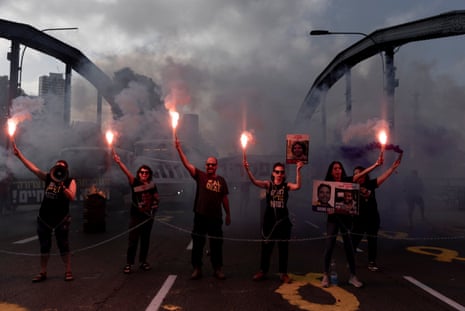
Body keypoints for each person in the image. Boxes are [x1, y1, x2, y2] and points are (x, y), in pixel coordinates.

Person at [12, 141, 76, 282]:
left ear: (66, 170)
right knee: (44, 246)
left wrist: (62, 185)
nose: (58, 167)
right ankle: (43, 272)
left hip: (61, 218)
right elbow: (33, 169)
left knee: (63, 244)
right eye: (57, 165)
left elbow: (72, 196)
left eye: (61, 166)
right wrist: (19, 156)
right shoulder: (48, 177)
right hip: (44, 217)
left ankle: (68, 270)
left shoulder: (70, 181)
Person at [175, 137, 231, 280]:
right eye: (208, 165)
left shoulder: (221, 181)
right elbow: (187, 164)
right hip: (201, 215)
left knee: (216, 244)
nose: (210, 167)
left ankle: (217, 269)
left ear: (216, 166)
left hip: (216, 217)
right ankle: (197, 268)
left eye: (212, 165)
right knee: (198, 243)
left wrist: (228, 214)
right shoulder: (200, 176)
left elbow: (224, 198)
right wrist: (179, 149)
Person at [243, 160, 303, 284]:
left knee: (283, 248)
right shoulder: (268, 185)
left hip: (283, 221)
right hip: (269, 221)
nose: (279, 174)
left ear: (284, 174)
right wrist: (248, 170)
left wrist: (298, 171)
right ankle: (263, 271)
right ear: (273, 173)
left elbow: (298, 186)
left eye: (282, 172)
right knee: (266, 247)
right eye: (277, 172)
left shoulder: (286, 186)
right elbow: (254, 181)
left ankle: (283, 273)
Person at [320, 160, 373, 288]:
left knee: (349, 248)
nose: (337, 170)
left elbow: (361, 175)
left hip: (346, 220)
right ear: (331, 171)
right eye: (335, 168)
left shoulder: (348, 180)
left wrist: (376, 165)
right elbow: (321, 202)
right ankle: (326, 275)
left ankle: (353, 276)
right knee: (329, 247)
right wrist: (326, 207)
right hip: (332, 219)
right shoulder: (327, 185)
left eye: (339, 168)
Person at [351, 154, 402, 272]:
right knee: (354, 241)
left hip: (372, 218)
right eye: (355, 173)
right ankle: (351, 260)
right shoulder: (350, 186)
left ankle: (372, 262)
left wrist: (392, 168)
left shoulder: (371, 184)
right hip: (358, 219)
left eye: (360, 173)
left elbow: (383, 177)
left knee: (372, 241)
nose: (358, 175)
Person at [112, 150, 159, 274]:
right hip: (136, 217)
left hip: (148, 217)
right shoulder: (135, 183)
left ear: (149, 174)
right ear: (139, 174)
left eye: (146, 172)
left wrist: (153, 211)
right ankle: (129, 263)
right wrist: (119, 162)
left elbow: (157, 199)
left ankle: (143, 261)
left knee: (145, 240)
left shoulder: (152, 185)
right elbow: (127, 173)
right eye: (142, 172)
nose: (144, 174)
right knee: (133, 241)